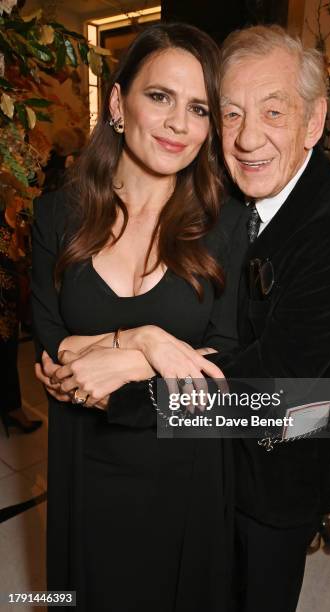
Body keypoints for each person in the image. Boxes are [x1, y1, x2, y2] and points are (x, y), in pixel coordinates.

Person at [31, 23, 247, 611]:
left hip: (186, 475)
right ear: (117, 103)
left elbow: (221, 374)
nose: (179, 123)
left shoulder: (227, 228)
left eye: (199, 108)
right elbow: (51, 351)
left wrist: (125, 355)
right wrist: (147, 341)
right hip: (85, 467)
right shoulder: (57, 215)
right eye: (160, 97)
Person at [209, 25, 330, 611]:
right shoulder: (223, 201)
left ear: (314, 122)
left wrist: (129, 392)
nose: (246, 137)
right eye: (231, 115)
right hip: (206, 459)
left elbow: (281, 384)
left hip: (281, 472)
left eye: (272, 112)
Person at [0, 173, 42, 437]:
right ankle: (12, 410)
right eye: (16, 196)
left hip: (6, 300)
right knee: (6, 357)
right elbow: (12, 261)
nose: (20, 201)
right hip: (4, 304)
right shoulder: (6, 223)